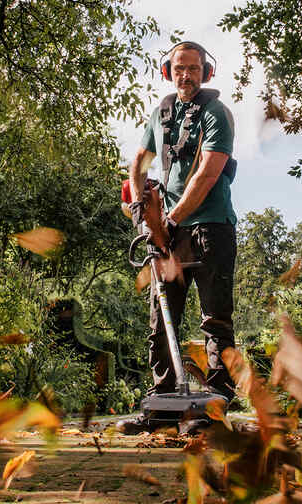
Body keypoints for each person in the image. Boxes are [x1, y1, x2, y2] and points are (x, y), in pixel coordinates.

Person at [120, 41, 238, 433]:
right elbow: (138, 162)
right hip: (167, 235)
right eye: (178, 68)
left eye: (193, 68)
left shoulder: (217, 114)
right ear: (167, 72)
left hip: (209, 230)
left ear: (207, 72)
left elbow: (207, 174)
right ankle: (162, 405)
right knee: (161, 319)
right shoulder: (160, 114)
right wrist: (141, 208)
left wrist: (170, 220)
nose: (185, 75)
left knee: (214, 322)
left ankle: (215, 407)